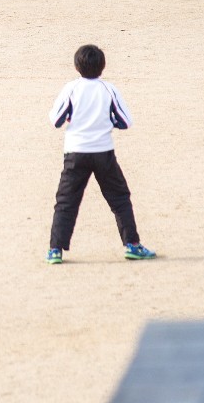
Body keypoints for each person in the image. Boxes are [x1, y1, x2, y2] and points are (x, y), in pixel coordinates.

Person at [46, 44, 155, 264]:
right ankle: (132, 245)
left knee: (66, 201)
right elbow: (125, 122)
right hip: (103, 152)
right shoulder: (109, 89)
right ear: (103, 67)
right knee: (119, 198)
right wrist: (107, 122)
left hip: (75, 152)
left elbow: (56, 120)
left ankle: (55, 250)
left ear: (77, 66)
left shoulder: (71, 89)